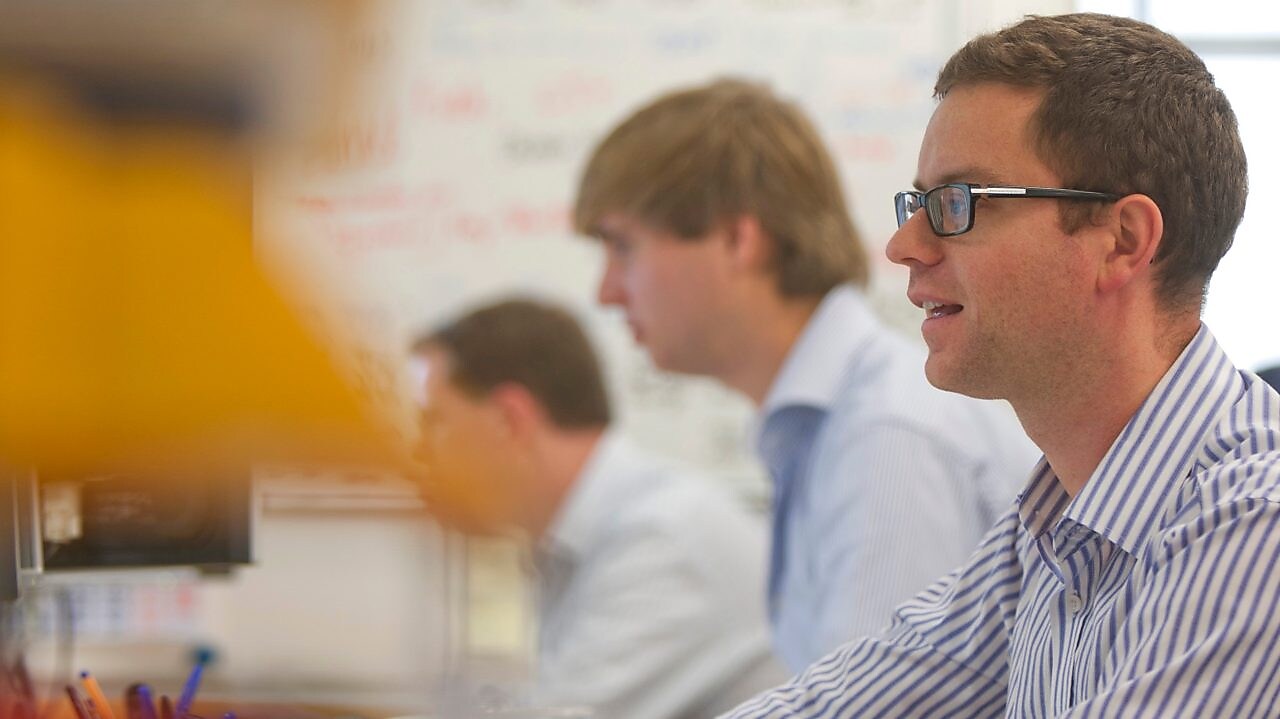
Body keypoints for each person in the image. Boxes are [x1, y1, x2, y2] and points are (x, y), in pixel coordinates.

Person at [726, 12, 1280, 717]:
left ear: (1122, 240)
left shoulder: (1254, 522)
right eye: (918, 203)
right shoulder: (1050, 529)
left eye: (958, 204)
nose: (903, 245)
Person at [573, 78, 1037, 671]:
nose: (606, 292)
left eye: (623, 248)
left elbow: (874, 707)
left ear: (737, 240)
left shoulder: (887, 436)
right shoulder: (834, 425)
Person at [408, 298, 785, 719]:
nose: (420, 451)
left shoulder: (662, 540)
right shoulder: (577, 541)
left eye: (434, 421)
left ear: (508, 419)